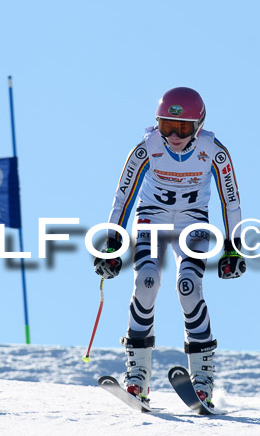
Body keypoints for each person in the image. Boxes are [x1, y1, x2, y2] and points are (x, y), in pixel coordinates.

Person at [93, 87, 245, 408]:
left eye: (183, 128)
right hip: (152, 219)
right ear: (157, 123)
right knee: (146, 281)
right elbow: (124, 195)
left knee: (188, 287)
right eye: (167, 127)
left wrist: (234, 246)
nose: (174, 136)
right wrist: (112, 241)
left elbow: (229, 198)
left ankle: (202, 380)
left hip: (193, 223)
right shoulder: (147, 148)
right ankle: (138, 377)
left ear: (199, 126)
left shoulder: (213, 151)